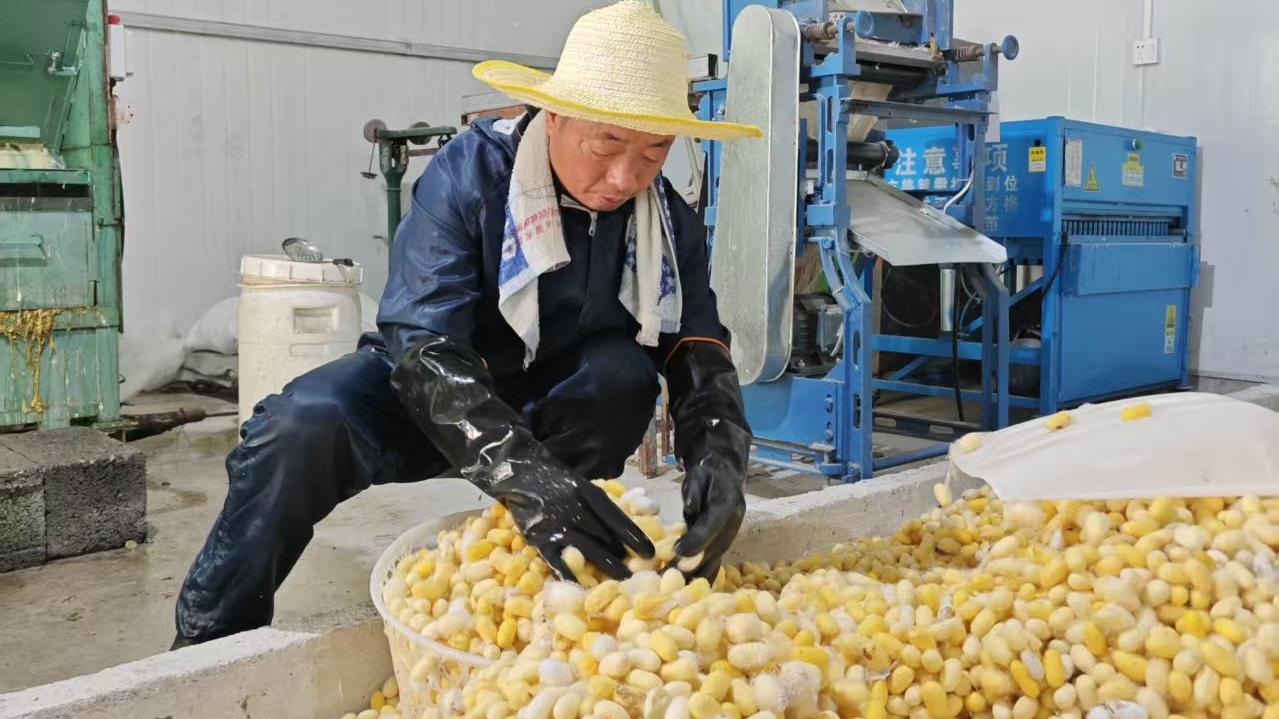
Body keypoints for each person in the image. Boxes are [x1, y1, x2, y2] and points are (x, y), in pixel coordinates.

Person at [172, 0, 763, 647]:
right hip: (431, 382)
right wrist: (520, 472)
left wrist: (720, 452)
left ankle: (554, 581)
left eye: (654, 151)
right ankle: (208, 644)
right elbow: (422, 342)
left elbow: (695, 343)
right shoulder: (471, 174)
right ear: (555, 117)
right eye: (607, 144)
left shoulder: (665, 221)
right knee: (300, 424)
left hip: (556, 404)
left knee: (619, 377)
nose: (624, 177)